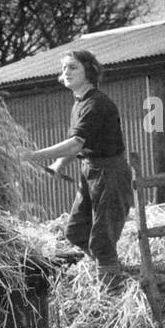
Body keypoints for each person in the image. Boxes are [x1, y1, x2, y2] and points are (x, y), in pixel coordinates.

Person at [24, 49, 134, 288]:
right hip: (91, 170)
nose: (66, 72)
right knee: (75, 232)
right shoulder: (80, 103)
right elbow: (79, 144)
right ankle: (111, 270)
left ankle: (111, 288)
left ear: (89, 71)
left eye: (73, 67)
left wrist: (32, 156)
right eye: (64, 68)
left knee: (103, 239)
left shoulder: (96, 103)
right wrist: (58, 163)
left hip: (110, 173)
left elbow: (76, 143)